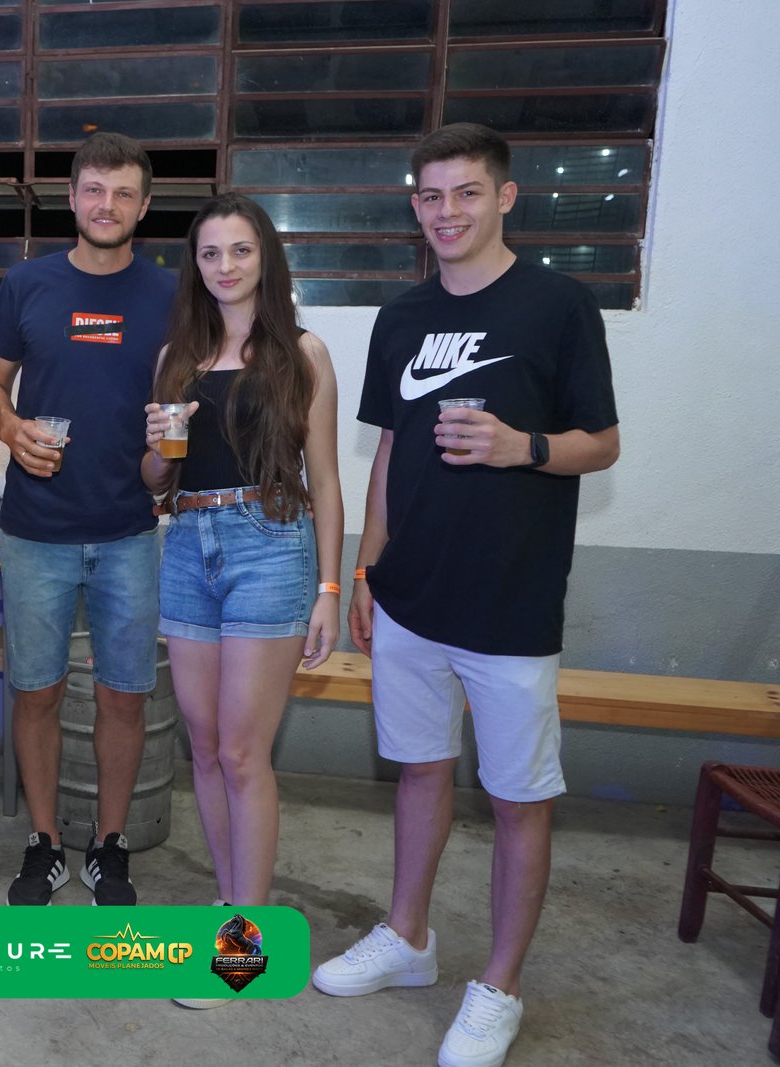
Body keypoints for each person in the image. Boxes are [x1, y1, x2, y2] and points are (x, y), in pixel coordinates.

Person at [311, 123, 620, 1067]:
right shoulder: (401, 317)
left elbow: (602, 442)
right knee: (419, 770)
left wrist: (523, 446)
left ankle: (501, 986)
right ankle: (408, 938)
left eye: (467, 192)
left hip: (511, 604)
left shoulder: (559, 304)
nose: (447, 212)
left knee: (519, 797)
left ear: (506, 196)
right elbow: (390, 453)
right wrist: (367, 570)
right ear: (416, 206)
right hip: (410, 595)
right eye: (432, 196)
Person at [139, 194, 342, 1006]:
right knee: (204, 747)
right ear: (196, 265)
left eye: (240, 250)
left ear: (265, 258)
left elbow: (327, 479)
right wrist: (158, 450)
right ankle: (232, 904)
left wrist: (330, 588)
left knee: (243, 752)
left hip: (271, 540)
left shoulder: (303, 352)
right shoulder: (176, 356)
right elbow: (154, 479)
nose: (225, 266)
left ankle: (243, 949)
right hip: (188, 542)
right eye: (210, 252)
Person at [0, 131, 177, 906]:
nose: (107, 204)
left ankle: (110, 843)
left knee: (124, 695)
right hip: (36, 531)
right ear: (71, 197)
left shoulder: (171, 294)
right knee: (36, 691)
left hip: (130, 528)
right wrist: (10, 429)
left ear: (145, 206)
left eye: (124, 192)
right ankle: (43, 840)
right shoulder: (26, 283)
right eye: (94, 189)